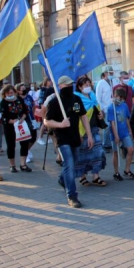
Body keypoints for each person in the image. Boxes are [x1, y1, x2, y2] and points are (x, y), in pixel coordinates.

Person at [45, 76, 93, 208]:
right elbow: (47, 121)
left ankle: (62, 179)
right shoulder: (54, 102)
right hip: (62, 138)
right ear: (60, 86)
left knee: (73, 164)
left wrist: (89, 135)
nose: (69, 87)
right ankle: (72, 196)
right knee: (69, 165)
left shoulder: (76, 99)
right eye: (66, 85)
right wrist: (60, 124)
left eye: (71, 84)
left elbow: (82, 116)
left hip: (75, 136)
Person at [74, 76, 107, 187]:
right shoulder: (76, 98)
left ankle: (96, 176)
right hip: (82, 131)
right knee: (83, 153)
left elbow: (98, 109)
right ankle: (82, 177)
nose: (88, 87)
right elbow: (76, 116)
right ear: (79, 87)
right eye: (86, 85)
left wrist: (101, 114)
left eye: (89, 84)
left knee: (97, 152)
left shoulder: (93, 96)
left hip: (94, 128)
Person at [0, 84, 32, 172]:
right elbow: (2, 117)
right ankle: (12, 165)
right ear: (5, 94)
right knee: (11, 145)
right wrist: (11, 121)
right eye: (8, 93)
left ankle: (23, 164)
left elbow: (25, 110)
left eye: (12, 92)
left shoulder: (19, 99)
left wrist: (22, 118)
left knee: (24, 143)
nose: (10, 94)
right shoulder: (3, 102)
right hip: (9, 126)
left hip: (21, 124)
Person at [107, 87, 134, 181]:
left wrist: (130, 130)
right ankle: (116, 172)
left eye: (122, 98)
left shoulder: (124, 105)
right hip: (115, 133)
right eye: (118, 97)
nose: (120, 99)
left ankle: (127, 170)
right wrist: (116, 136)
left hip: (125, 133)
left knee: (131, 150)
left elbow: (127, 118)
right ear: (115, 96)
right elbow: (112, 123)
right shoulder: (111, 107)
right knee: (116, 153)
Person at [16, 83, 38, 164]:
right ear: (18, 91)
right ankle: (25, 154)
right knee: (25, 138)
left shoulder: (29, 97)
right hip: (23, 120)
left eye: (25, 88)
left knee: (33, 137)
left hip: (31, 118)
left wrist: (33, 115)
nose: (24, 90)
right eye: (22, 89)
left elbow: (33, 106)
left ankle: (27, 149)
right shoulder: (17, 99)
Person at [96, 70, 114, 153]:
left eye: (112, 73)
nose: (111, 74)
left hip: (113, 107)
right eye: (109, 73)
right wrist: (101, 109)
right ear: (104, 74)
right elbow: (98, 97)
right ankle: (105, 144)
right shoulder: (101, 83)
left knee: (113, 126)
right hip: (105, 108)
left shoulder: (114, 81)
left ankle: (111, 142)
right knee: (107, 126)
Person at [37, 77, 54, 145]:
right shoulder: (43, 89)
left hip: (50, 106)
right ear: (46, 81)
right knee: (44, 123)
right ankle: (40, 137)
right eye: (49, 81)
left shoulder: (52, 89)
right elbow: (41, 99)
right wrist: (42, 108)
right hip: (45, 106)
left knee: (49, 123)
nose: (50, 82)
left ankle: (50, 138)